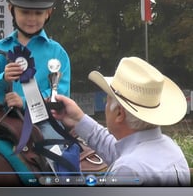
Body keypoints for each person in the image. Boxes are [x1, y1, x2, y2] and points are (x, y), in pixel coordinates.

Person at [0, 0, 77, 172]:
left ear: (49, 12)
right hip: (4, 119)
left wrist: (26, 102)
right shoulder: (1, 48)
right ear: (11, 9)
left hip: (44, 123)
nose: (32, 18)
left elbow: (59, 95)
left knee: (60, 156)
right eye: (25, 12)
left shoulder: (57, 53)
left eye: (38, 13)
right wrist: (2, 77)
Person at [52, 56, 191, 186]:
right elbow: (116, 150)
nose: (106, 106)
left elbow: (124, 159)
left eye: (107, 101)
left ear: (119, 113)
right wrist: (78, 119)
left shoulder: (128, 169)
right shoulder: (169, 147)